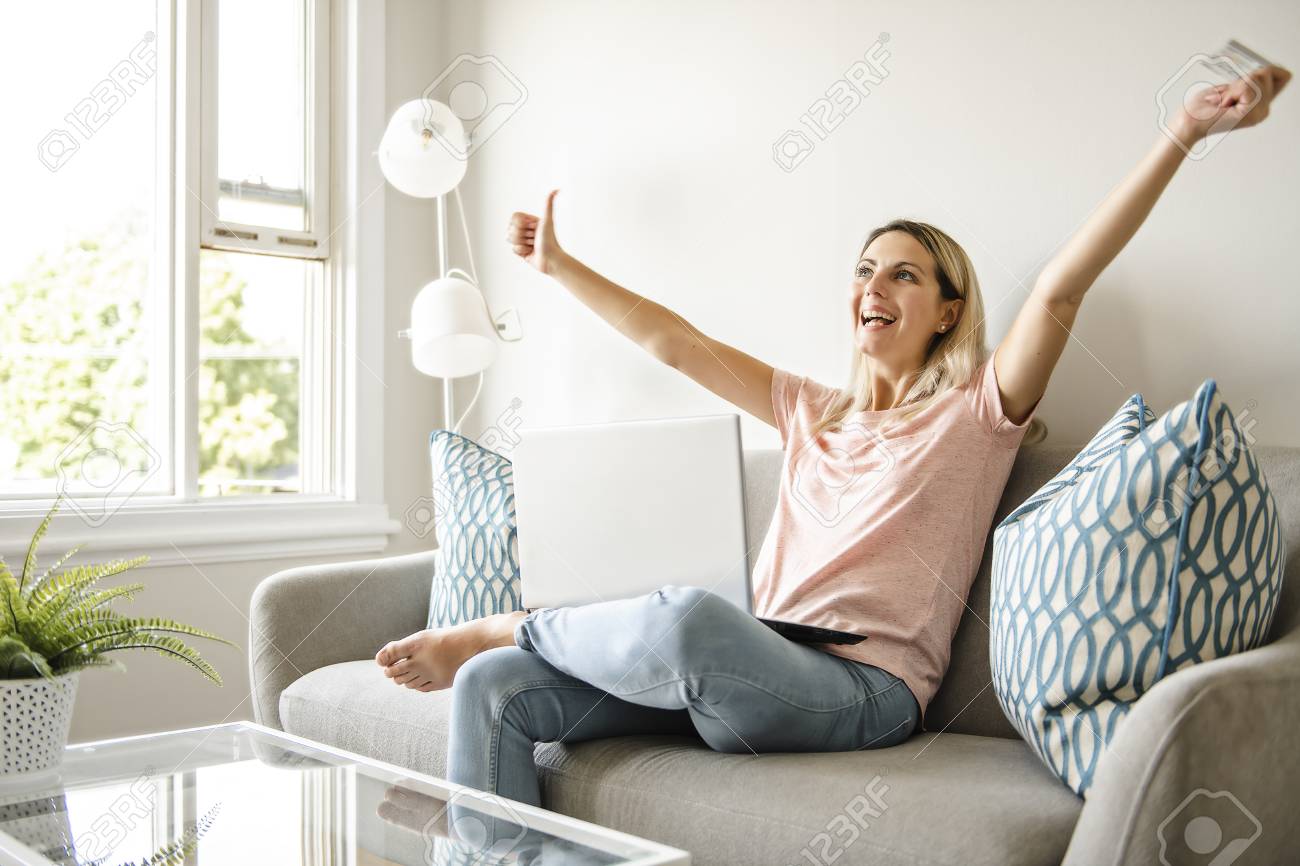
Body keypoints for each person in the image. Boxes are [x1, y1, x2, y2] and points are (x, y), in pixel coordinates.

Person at [376, 64, 1290, 812]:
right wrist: (561, 266)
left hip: (861, 693)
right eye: (863, 271)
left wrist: (1183, 132)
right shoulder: (809, 411)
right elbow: (678, 342)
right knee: (489, 691)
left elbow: (1059, 290)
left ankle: (509, 626)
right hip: (741, 671)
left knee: (686, 619)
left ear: (948, 310)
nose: (873, 287)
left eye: (903, 274)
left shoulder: (974, 415)